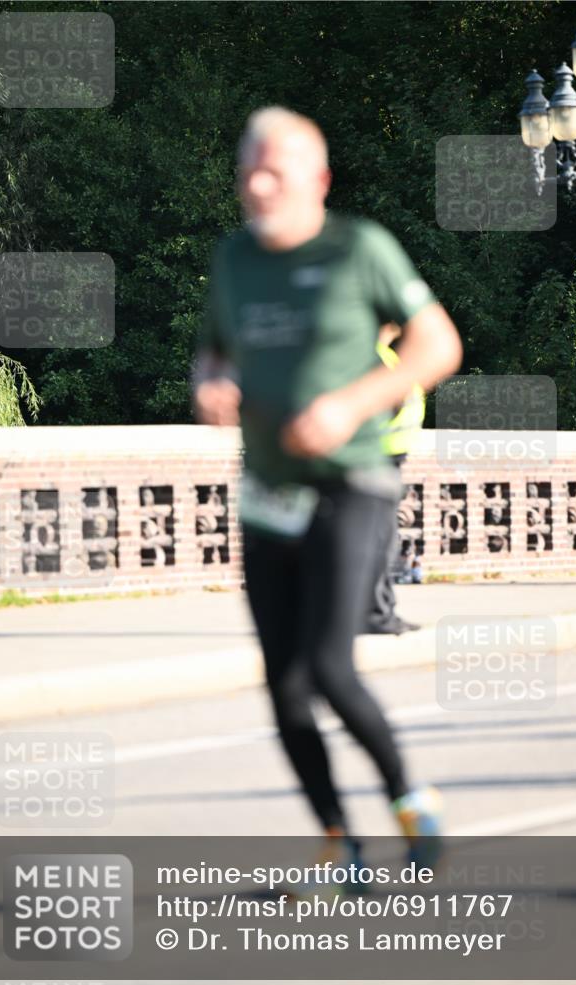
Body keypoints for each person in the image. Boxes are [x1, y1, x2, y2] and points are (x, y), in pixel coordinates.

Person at [194, 107, 462, 870]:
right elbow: (212, 354)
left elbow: (437, 343)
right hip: (267, 492)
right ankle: (337, 846)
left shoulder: (359, 249)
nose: (257, 182)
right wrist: (212, 385)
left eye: (274, 168)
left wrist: (348, 404)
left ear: (318, 179)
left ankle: (409, 798)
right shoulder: (232, 259)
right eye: (248, 167)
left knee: (328, 669)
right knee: (281, 687)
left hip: (353, 482)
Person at [365, 323, 425, 635]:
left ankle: (380, 611)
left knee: (380, 539)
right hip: (377, 460)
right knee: (379, 540)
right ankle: (377, 615)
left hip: (385, 458)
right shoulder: (375, 358)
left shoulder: (383, 357)